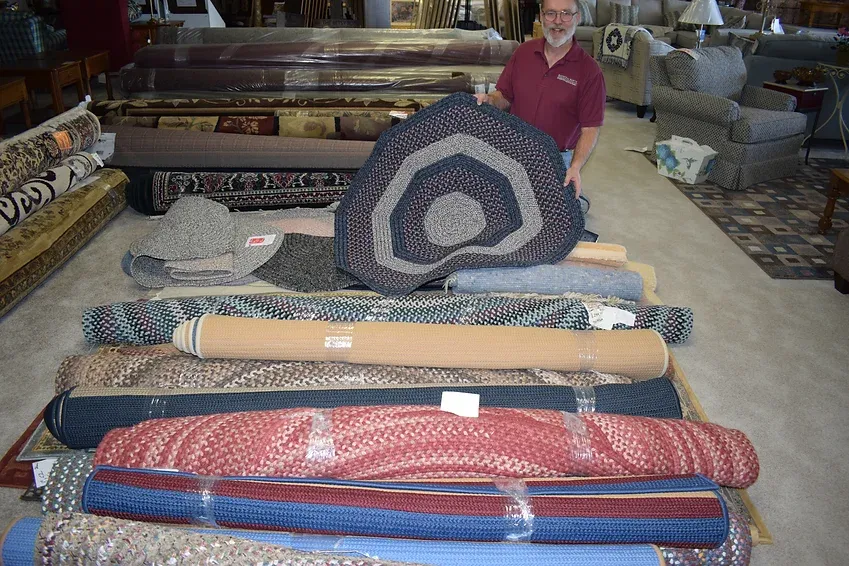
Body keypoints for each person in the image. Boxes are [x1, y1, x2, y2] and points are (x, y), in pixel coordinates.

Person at [476, 0, 605, 213]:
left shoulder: (590, 72)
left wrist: (575, 167)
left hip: (555, 157)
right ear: (541, 15)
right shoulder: (523, 53)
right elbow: (504, 96)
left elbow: (590, 128)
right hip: (513, 149)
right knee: (489, 204)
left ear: (577, 17)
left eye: (565, 14)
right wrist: (490, 100)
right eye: (551, 14)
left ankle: (576, 200)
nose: (557, 22)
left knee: (552, 215)